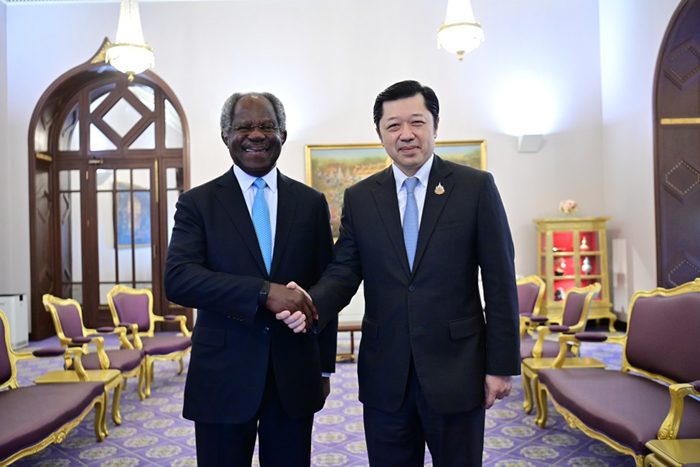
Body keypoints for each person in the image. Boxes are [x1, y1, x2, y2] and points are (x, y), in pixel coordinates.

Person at [302, 80, 520, 466]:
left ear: (435, 125)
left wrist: (501, 366)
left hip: (458, 369)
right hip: (386, 372)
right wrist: (307, 303)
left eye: (417, 122)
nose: (406, 134)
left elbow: (500, 281)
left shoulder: (475, 188)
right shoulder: (360, 198)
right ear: (380, 134)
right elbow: (344, 272)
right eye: (394, 125)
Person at [164, 91, 337, 466]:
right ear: (226, 136)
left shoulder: (310, 203)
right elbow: (179, 279)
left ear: (283, 135)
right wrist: (263, 292)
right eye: (244, 126)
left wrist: (323, 367)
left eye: (267, 126)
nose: (256, 135)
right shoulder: (197, 203)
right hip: (222, 375)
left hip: (293, 374)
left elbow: (326, 286)